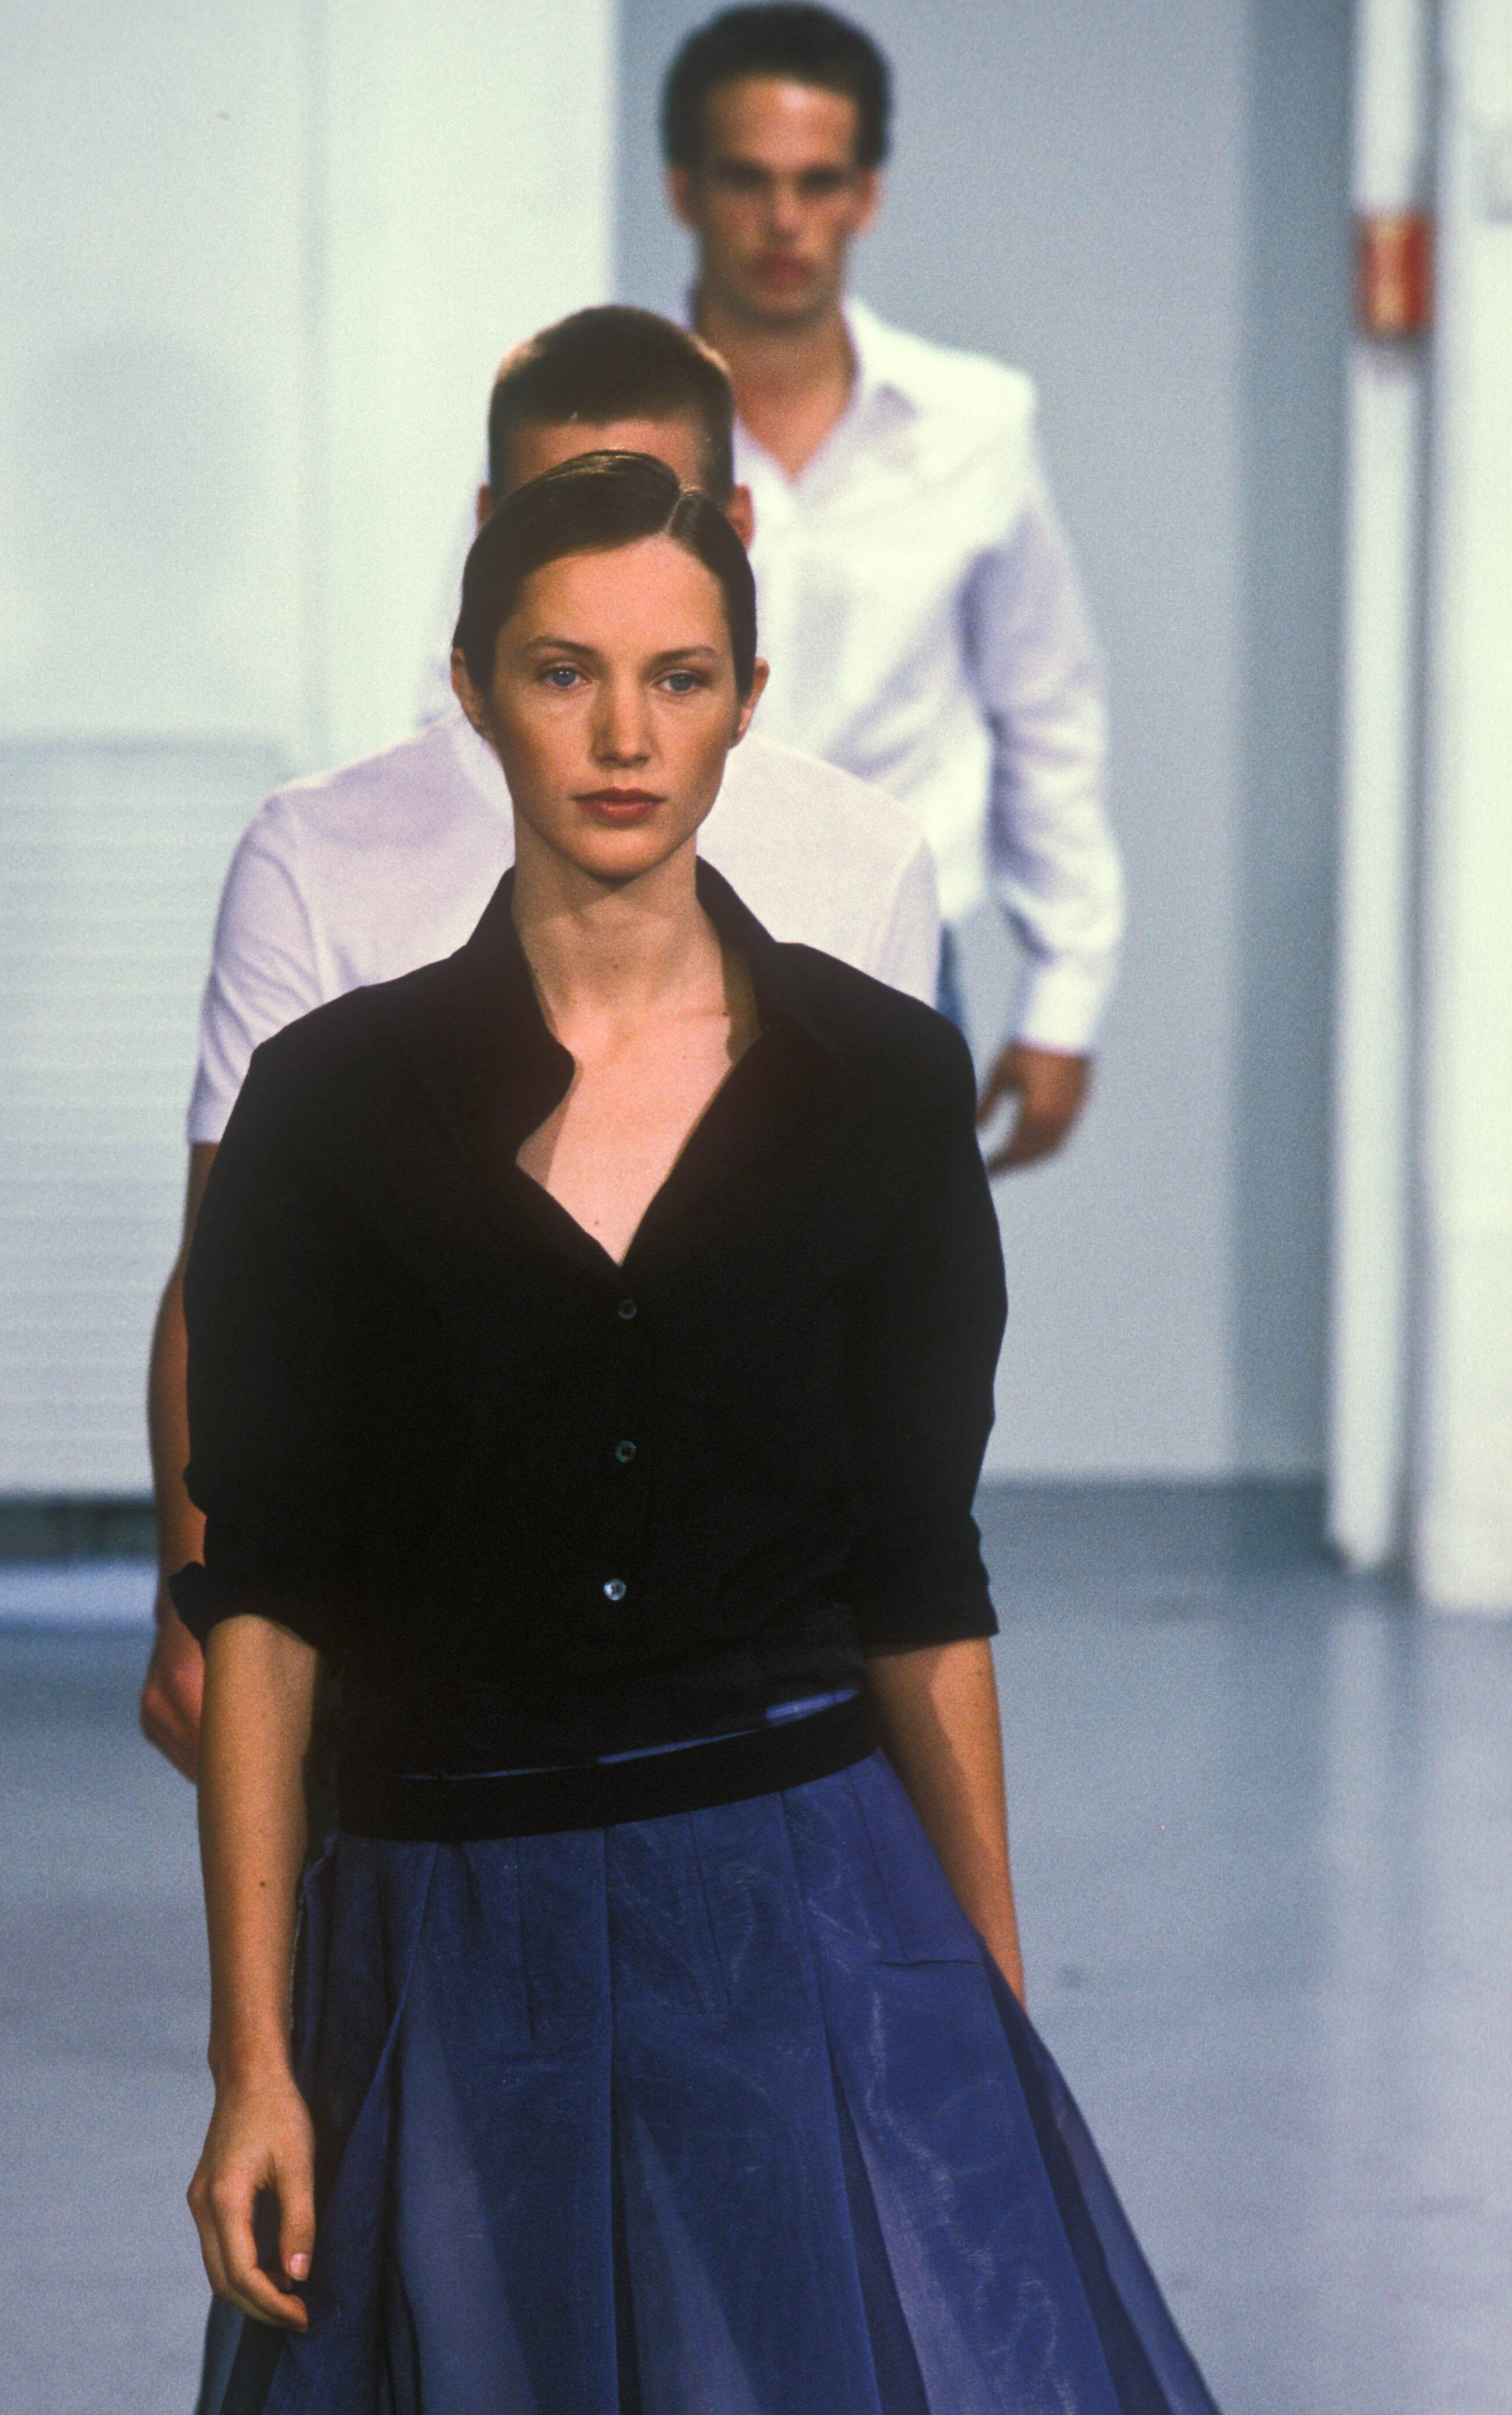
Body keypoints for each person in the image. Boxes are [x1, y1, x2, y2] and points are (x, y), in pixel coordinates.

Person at [166, 452, 1224, 2415]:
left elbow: (920, 1579)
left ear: (746, 703)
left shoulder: (874, 1089)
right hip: (457, 1945)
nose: (621, 732)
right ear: (477, 693)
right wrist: (257, 2055)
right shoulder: (331, 1113)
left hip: (784, 1918)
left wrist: (972, 2007)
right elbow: (266, 1597)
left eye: (673, 675)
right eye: (565, 671)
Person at [140, 306, 942, 1784]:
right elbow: (226, 1282)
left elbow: (882, 1331)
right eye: (557, 511)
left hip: (754, 1666)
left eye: (650, 501)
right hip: (411, 1638)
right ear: (487, 534)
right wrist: (195, 1594)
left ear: (737, 528)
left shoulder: (864, 857)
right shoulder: (318, 853)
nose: (610, 545)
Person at [662, 3, 1126, 1168]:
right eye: (747, 180)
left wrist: (1066, 995)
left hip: (896, 967)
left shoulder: (975, 426)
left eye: (819, 182)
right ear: (683, 190)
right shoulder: (593, 420)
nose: (784, 221)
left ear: (866, 195)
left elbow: (1046, 705)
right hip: (637, 958)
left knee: (893, 1294)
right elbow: (476, 697)